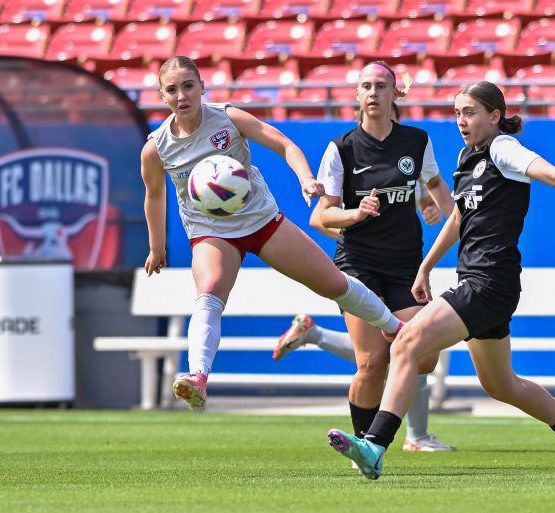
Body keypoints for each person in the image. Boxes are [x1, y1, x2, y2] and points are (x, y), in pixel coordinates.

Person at [327, 81, 555, 480]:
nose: (461, 121)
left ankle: (375, 445)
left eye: (469, 113)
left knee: (407, 342)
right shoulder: (468, 156)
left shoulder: (504, 149)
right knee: (503, 385)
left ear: (495, 116)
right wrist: (426, 267)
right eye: (456, 113)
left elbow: (551, 174)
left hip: (487, 283)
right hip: (486, 285)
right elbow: (458, 217)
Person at [142, 56, 406, 411]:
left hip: (262, 222)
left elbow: (284, 144)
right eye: (172, 89)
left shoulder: (228, 118)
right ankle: (198, 376)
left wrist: (304, 178)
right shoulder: (156, 147)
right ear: (162, 96)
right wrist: (157, 247)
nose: (182, 95)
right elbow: (155, 195)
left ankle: (394, 328)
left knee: (332, 283)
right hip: (210, 232)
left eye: (189, 86)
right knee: (210, 290)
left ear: (202, 87)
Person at [273, 102, 455, 452]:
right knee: (372, 361)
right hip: (360, 264)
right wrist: (356, 224)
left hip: (404, 265)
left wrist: (431, 208)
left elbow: (425, 196)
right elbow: (319, 219)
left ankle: (317, 335)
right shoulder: (345, 149)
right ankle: (371, 446)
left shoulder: (412, 156)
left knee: (421, 355)